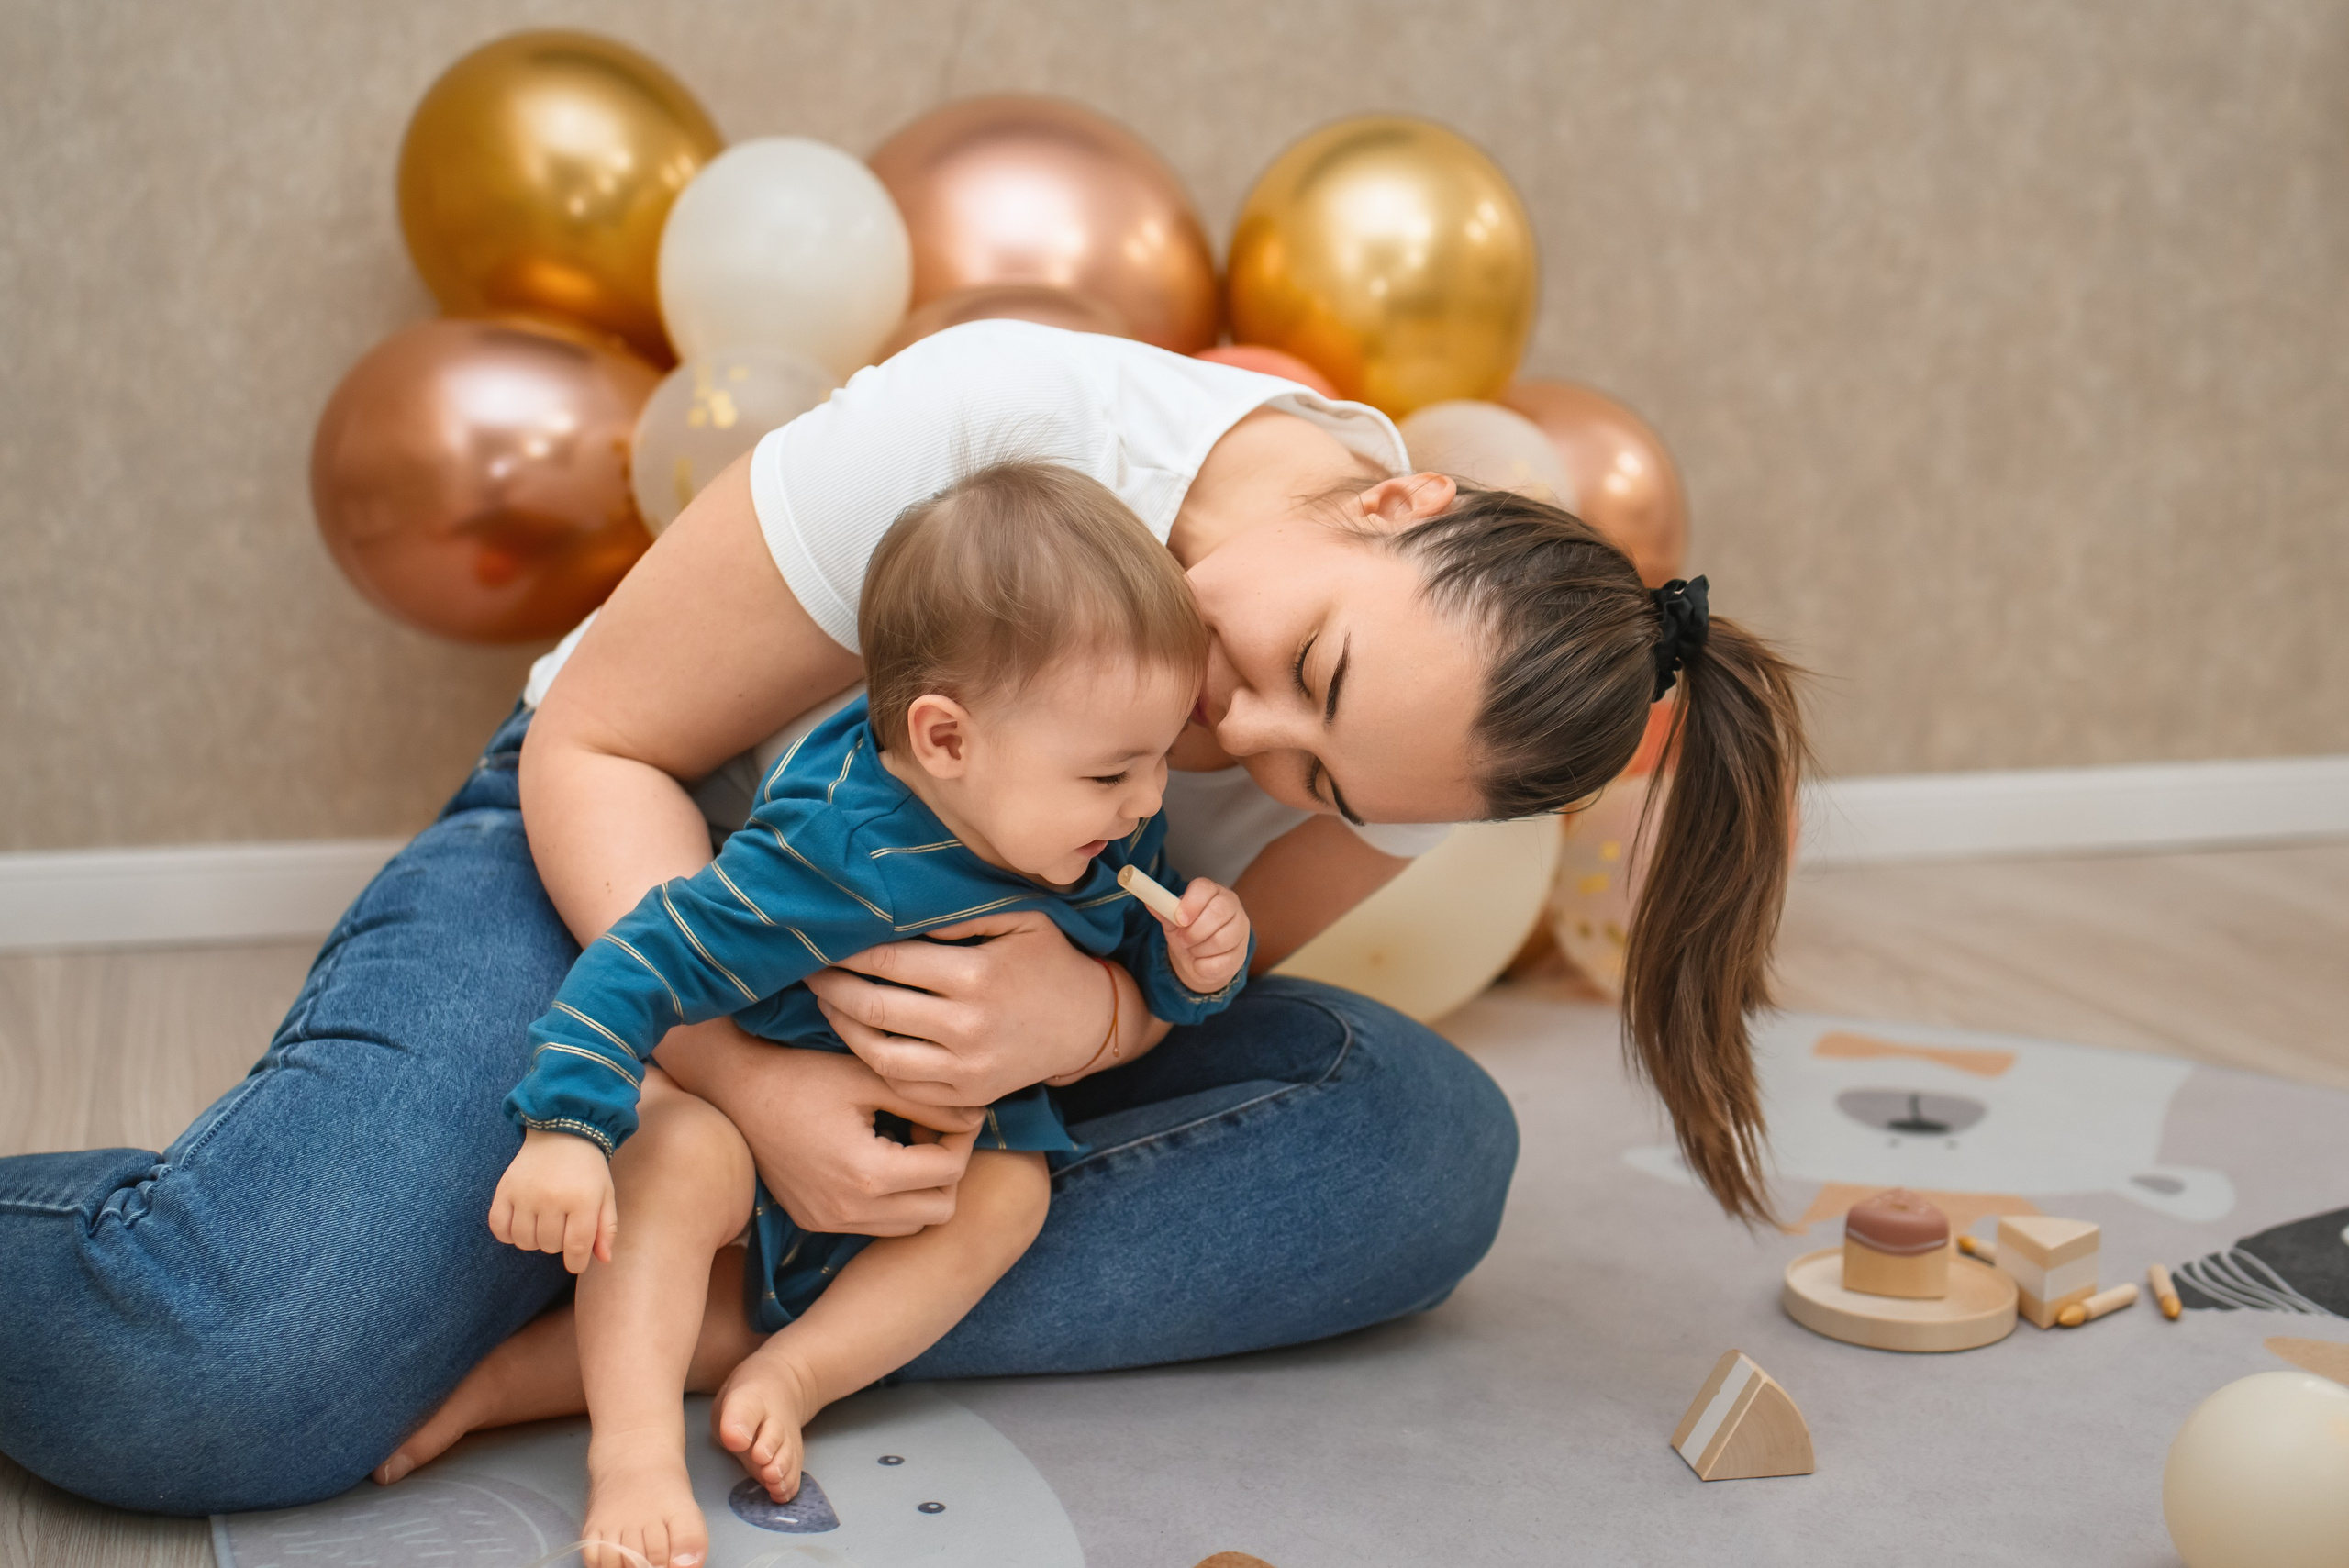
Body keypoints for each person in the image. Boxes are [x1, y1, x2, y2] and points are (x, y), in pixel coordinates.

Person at [0, 320, 1805, 1516]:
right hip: (634, 878)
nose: (1240, 733)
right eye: (1303, 666)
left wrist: (1095, 1020)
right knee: (216, 1370)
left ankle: (698, 1304)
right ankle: (651, 1233)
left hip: (968, 1038)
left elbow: (1216, 951)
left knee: (1427, 1150)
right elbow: (601, 743)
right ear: (1397, 499)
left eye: (1319, 776)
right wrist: (747, 1082)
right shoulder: (1013, 417)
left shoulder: (1425, 737)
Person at [480, 462, 1252, 1568]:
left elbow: (1144, 961)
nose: (1148, 801)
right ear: (945, 741)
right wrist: (567, 1125)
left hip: (937, 1152)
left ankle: (797, 1370)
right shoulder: (831, 853)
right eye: (1112, 773)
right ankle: (635, 1453)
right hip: (754, 1127)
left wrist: (1194, 966)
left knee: (1012, 1193)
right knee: (678, 1160)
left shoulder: (1100, 831)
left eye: (1161, 759)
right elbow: (642, 957)